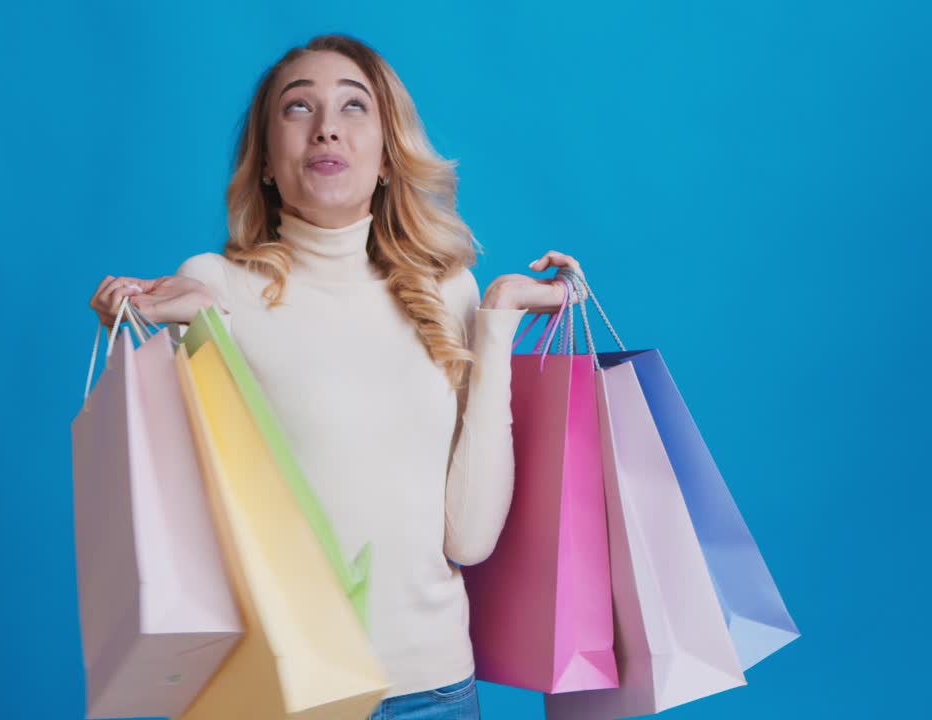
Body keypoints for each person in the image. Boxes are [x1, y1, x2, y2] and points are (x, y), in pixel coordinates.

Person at [89, 33, 585, 720]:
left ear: (387, 156)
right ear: (265, 161)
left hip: (434, 691)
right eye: (298, 108)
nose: (326, 125)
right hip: (280, 694)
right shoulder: (213, 287)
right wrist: (151, 325)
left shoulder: (451, 293)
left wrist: (499, 316)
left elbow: (468, 540)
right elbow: (179, 505)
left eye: (354, 107)